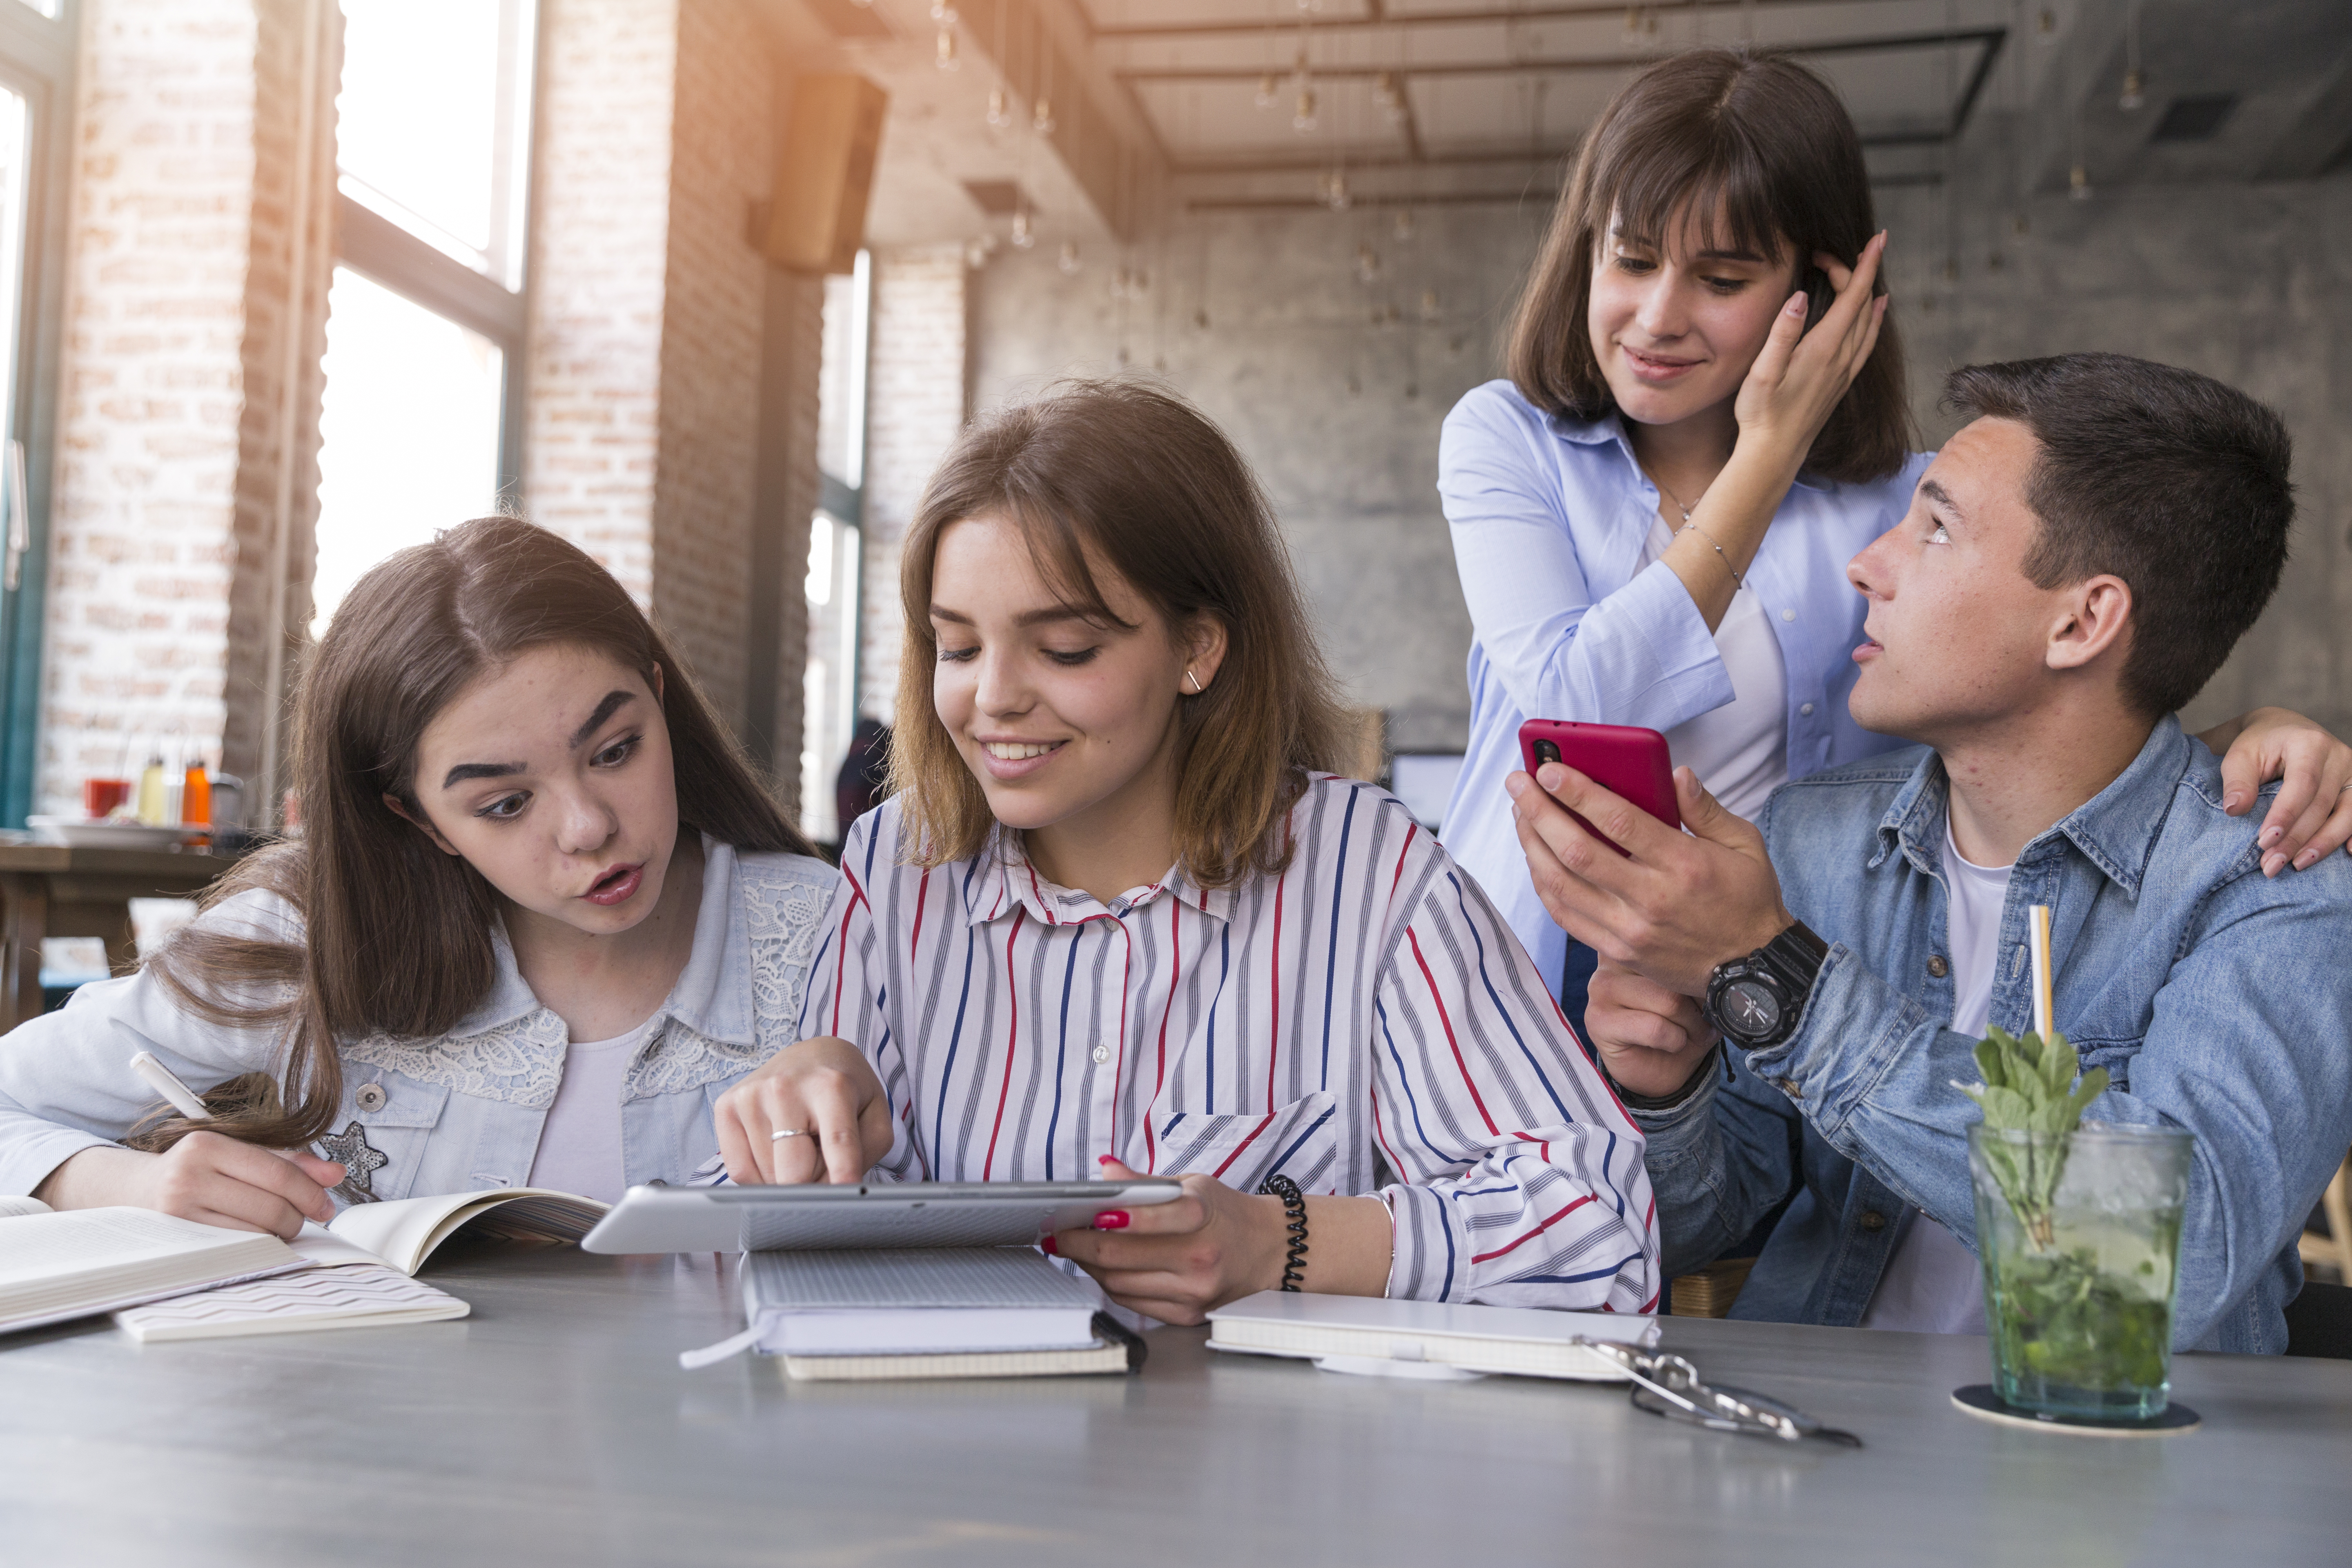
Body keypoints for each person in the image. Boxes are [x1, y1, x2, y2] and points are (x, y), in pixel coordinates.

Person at [1437, 47, 2352, 1031]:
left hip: (1767, 977)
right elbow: (1570, 713)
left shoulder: (1911, 505)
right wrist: (1767, 457)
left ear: (1821, 289)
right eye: (1632, 259)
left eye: (1721, 277)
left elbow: (2061, 713)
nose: (1657, 317)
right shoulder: (1508, 440)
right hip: (1523, 967)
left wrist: (2252, 734)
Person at [714, 381, 1659, 1323]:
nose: (991, 699)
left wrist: (1279, 1241)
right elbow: (793, 1256)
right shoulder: (894, 868)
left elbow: (1608, 1235)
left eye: (1067, 650)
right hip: (969, 1452)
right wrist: (797, 1121)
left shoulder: (1370, 874)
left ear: (1199, 649)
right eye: (956, 649)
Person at [1507, 354, 2352, 1353]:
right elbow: (1690, 1233)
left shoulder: (2271, 882)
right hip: (1805, 1441)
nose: (1868, 564)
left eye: (1935, 527)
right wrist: (1665, 1092)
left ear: (2083, 621)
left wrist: (1788, 989)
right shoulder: (1812, 837)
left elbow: (2177, 1259)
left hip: (2106, 1480)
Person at [0, 517, 838, 1231]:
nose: (588, 827)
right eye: (507, 804)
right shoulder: (309, 937)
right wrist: (129, 1185)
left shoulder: (832, 937)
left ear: (659, 698)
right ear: (418, 819)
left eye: (616, 751)